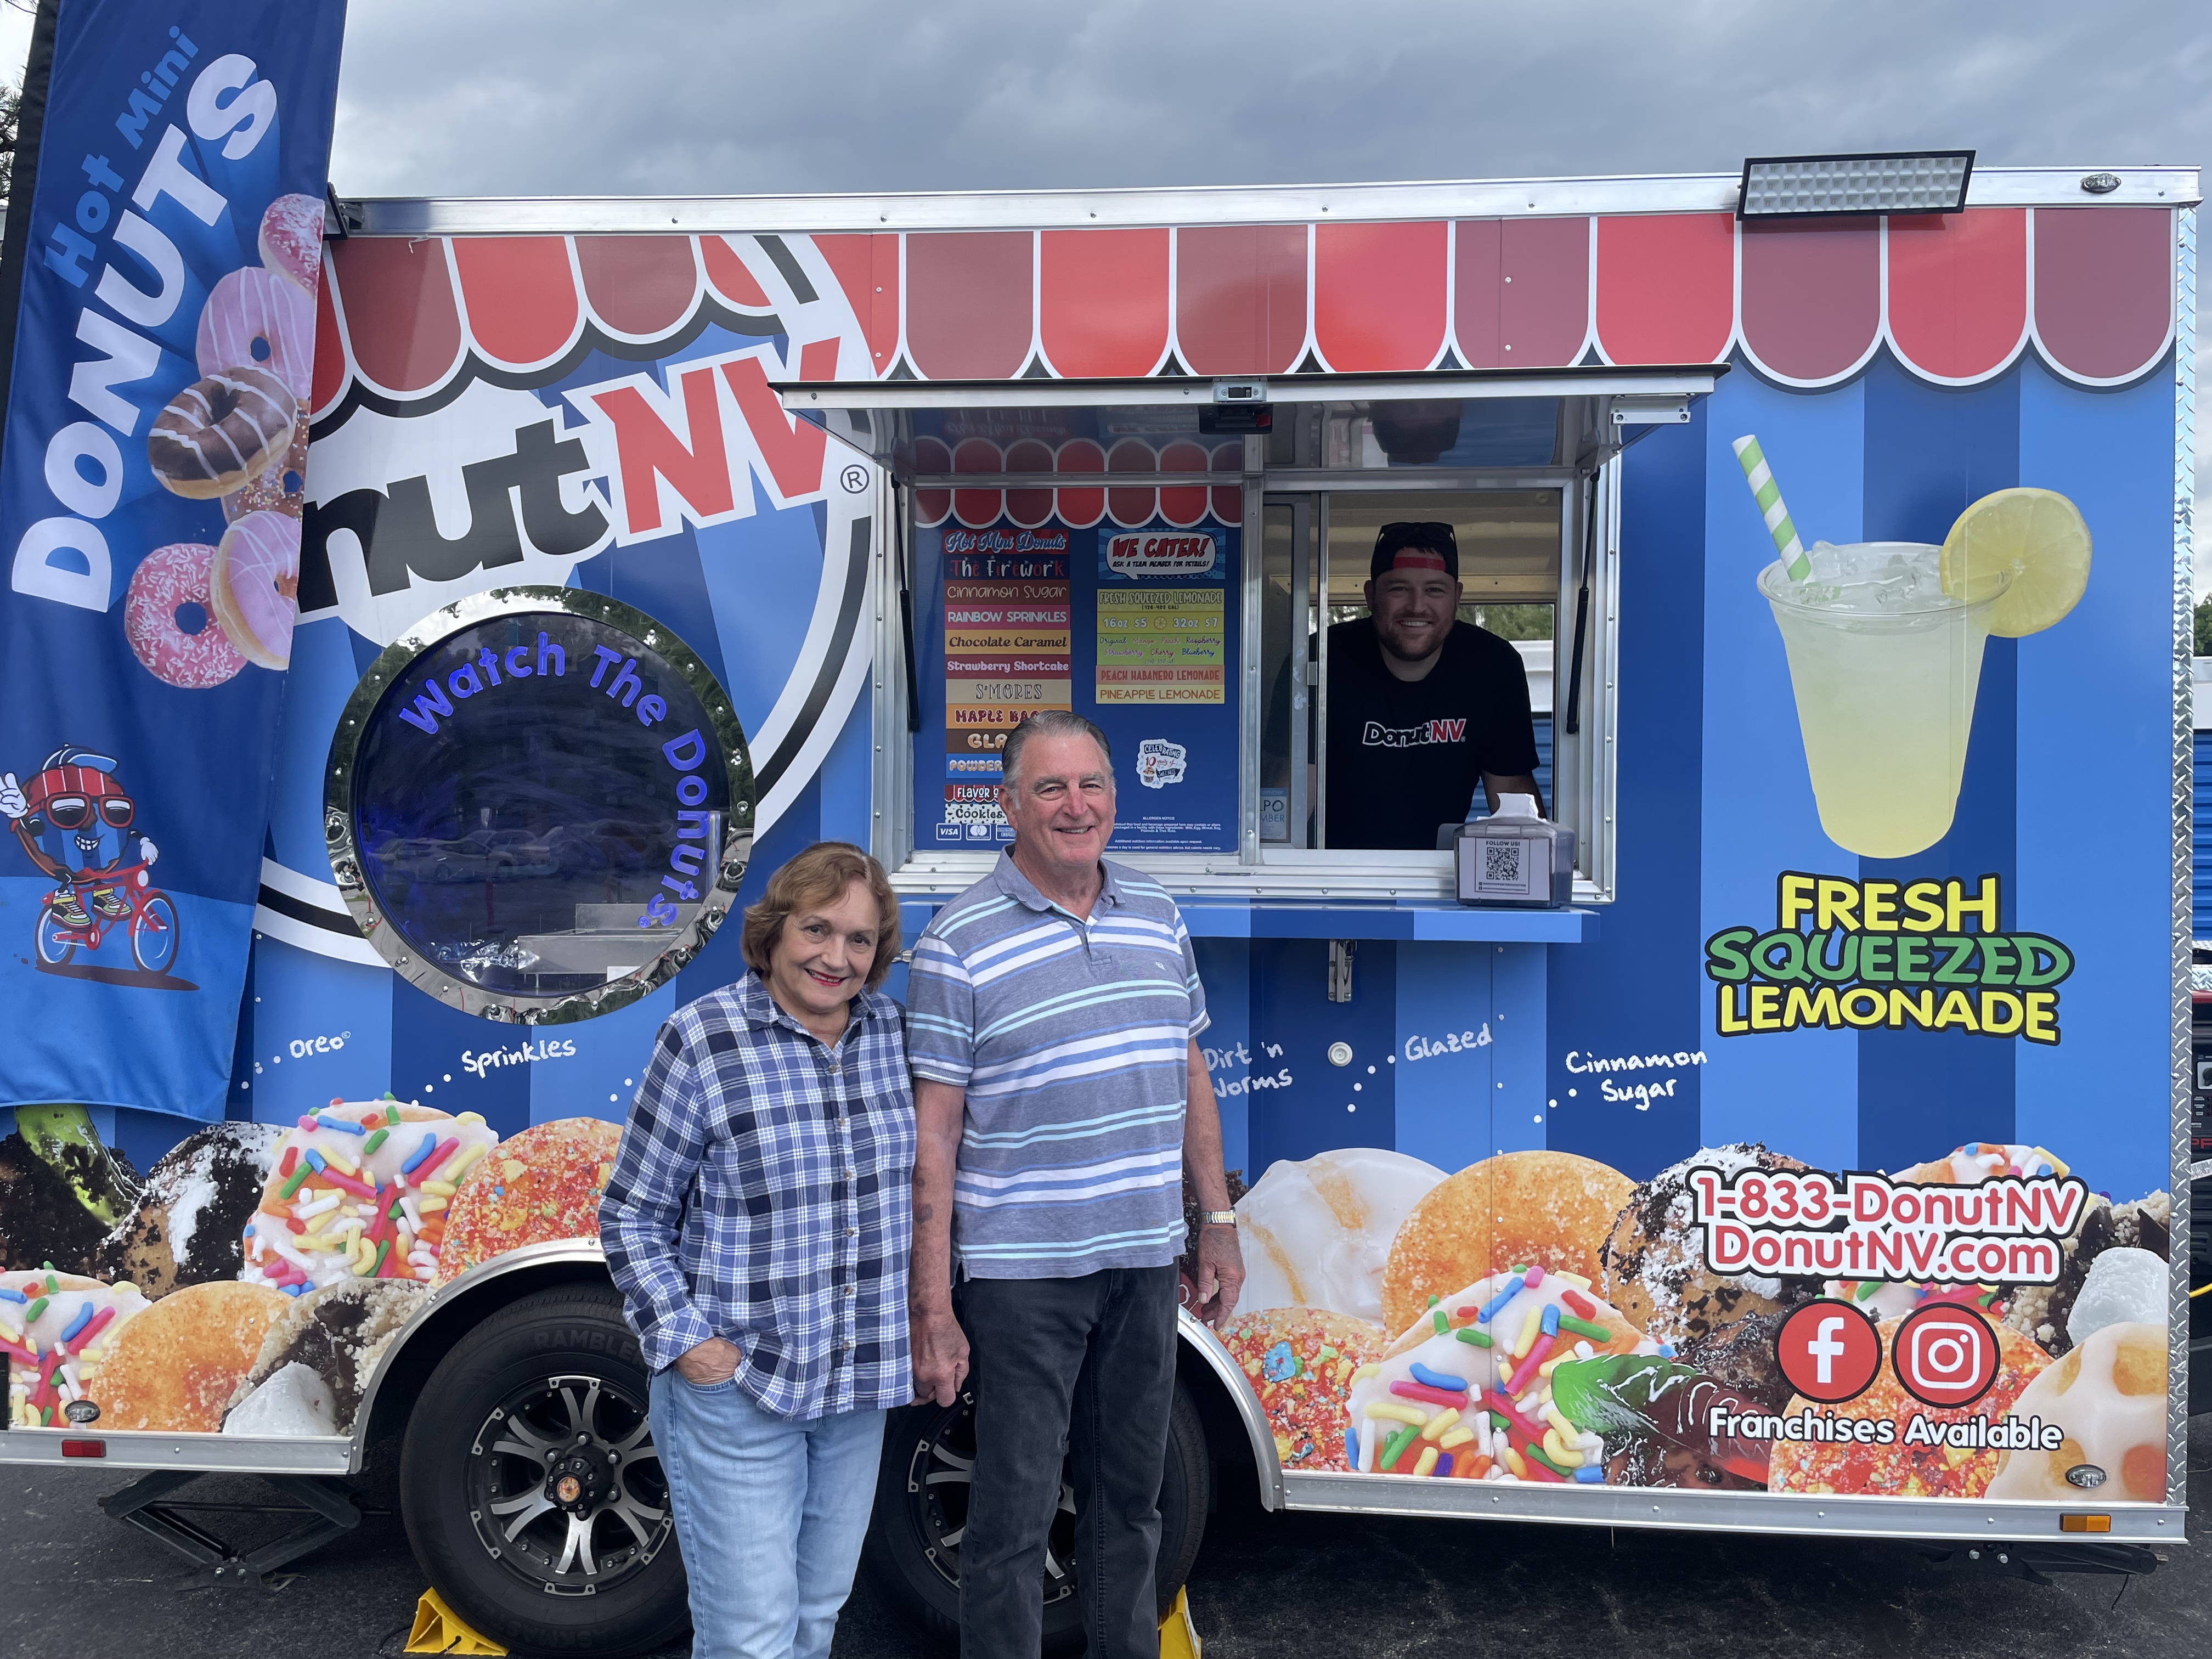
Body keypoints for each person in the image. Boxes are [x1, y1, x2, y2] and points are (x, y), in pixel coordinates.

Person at [904, 709, 1244, 1659]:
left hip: (1141, 1257)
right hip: (1021, 1278)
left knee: (1128, 1503)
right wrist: (932, 1299)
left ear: (1114, 796)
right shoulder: (956, 941)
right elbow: (934, 1138)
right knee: (1011, 1516)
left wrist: (1213, 1220)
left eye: (1090, 783)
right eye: (1048, 787)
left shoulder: (1158, 915)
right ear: (1006, 804)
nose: (1074, 804)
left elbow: (1189, 1075)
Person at [600, 842, 912, 1659]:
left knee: (815, 1622)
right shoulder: (702, 1041)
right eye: (818, 930)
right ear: (774, 932)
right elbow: (632, 1213)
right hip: (741, 1389)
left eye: (860, 940)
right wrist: (691, 1347)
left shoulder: (894, 1036)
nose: (836, 958)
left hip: (855, 1390)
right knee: (750, 1638)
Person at [1265, 521, 1544, 849]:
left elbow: (1514, 805)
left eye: (1435, 590)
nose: (1416, 606)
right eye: (1399, 589)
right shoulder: (1318, 661)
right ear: (1370, 595)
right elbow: (1282, 814)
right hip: (1330, 875)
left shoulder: (1493, 667)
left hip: (1441, 877)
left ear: (1457, 597)